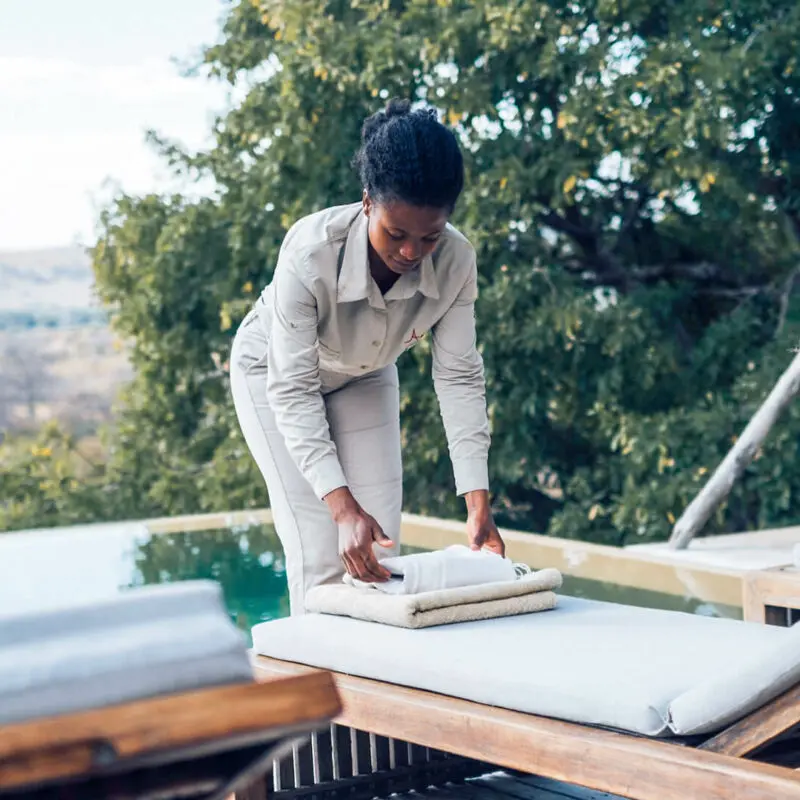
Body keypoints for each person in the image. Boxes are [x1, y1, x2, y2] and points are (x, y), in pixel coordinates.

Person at [230, 98, 505, 615]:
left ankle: (372, 689)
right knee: (323, 553)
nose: (410, 252)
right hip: (273, 372)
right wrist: (340, 506)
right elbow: (292, 389)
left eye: (430, 236)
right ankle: (318, 689)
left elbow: (460, 377)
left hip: (366, 374)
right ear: (366, 203)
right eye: (395, 234)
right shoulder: (310, 253)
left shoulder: (457, 261)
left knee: (380, 553)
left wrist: (477, 499)